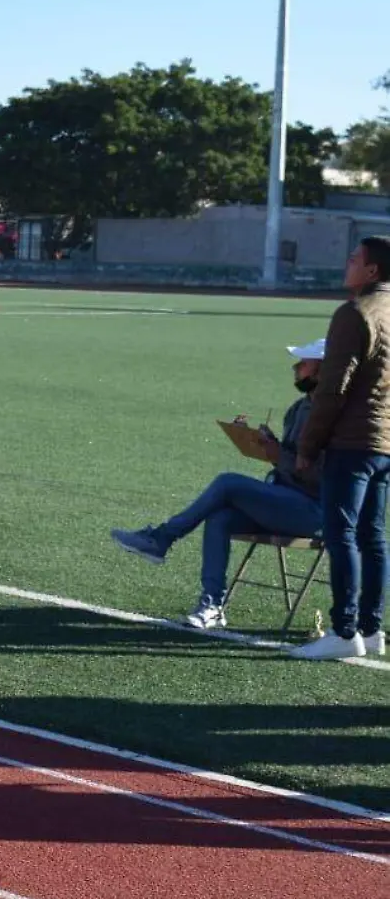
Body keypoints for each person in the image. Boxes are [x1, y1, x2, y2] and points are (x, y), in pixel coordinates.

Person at [111, 341, 330, 630]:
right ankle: (212, 604)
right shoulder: (298, 408)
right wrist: (264, 444)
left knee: (227, 483)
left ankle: (161, 539)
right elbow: (290, 461)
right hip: (285, 499)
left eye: (303, 363)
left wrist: (277, 454)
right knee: (220, 518)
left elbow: (324, 478)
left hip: (313, 512)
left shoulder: (332, 415)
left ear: (323, 370)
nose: (296, 368)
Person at [292, 236, 390, 660]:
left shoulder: (355, 313)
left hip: (352, 440)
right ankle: (371, 630)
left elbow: (333, 389)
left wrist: (308, 445)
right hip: (385, 441)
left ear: (372, 271)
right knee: (374, 537)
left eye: (354, 259)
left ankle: (343, 630)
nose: (347, 264)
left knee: (343, 535)